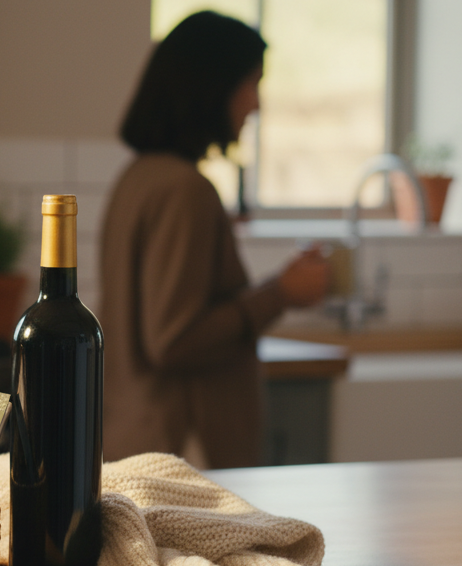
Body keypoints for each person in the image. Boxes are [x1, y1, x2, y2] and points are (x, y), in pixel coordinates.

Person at [99, 11, 329, 469]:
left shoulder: (138, 178)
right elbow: (174, 340)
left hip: (137, 438)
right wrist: (279, 293)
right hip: (182, 448)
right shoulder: (185, 190)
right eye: (250, 84)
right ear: (211, 88)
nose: (255, 104)